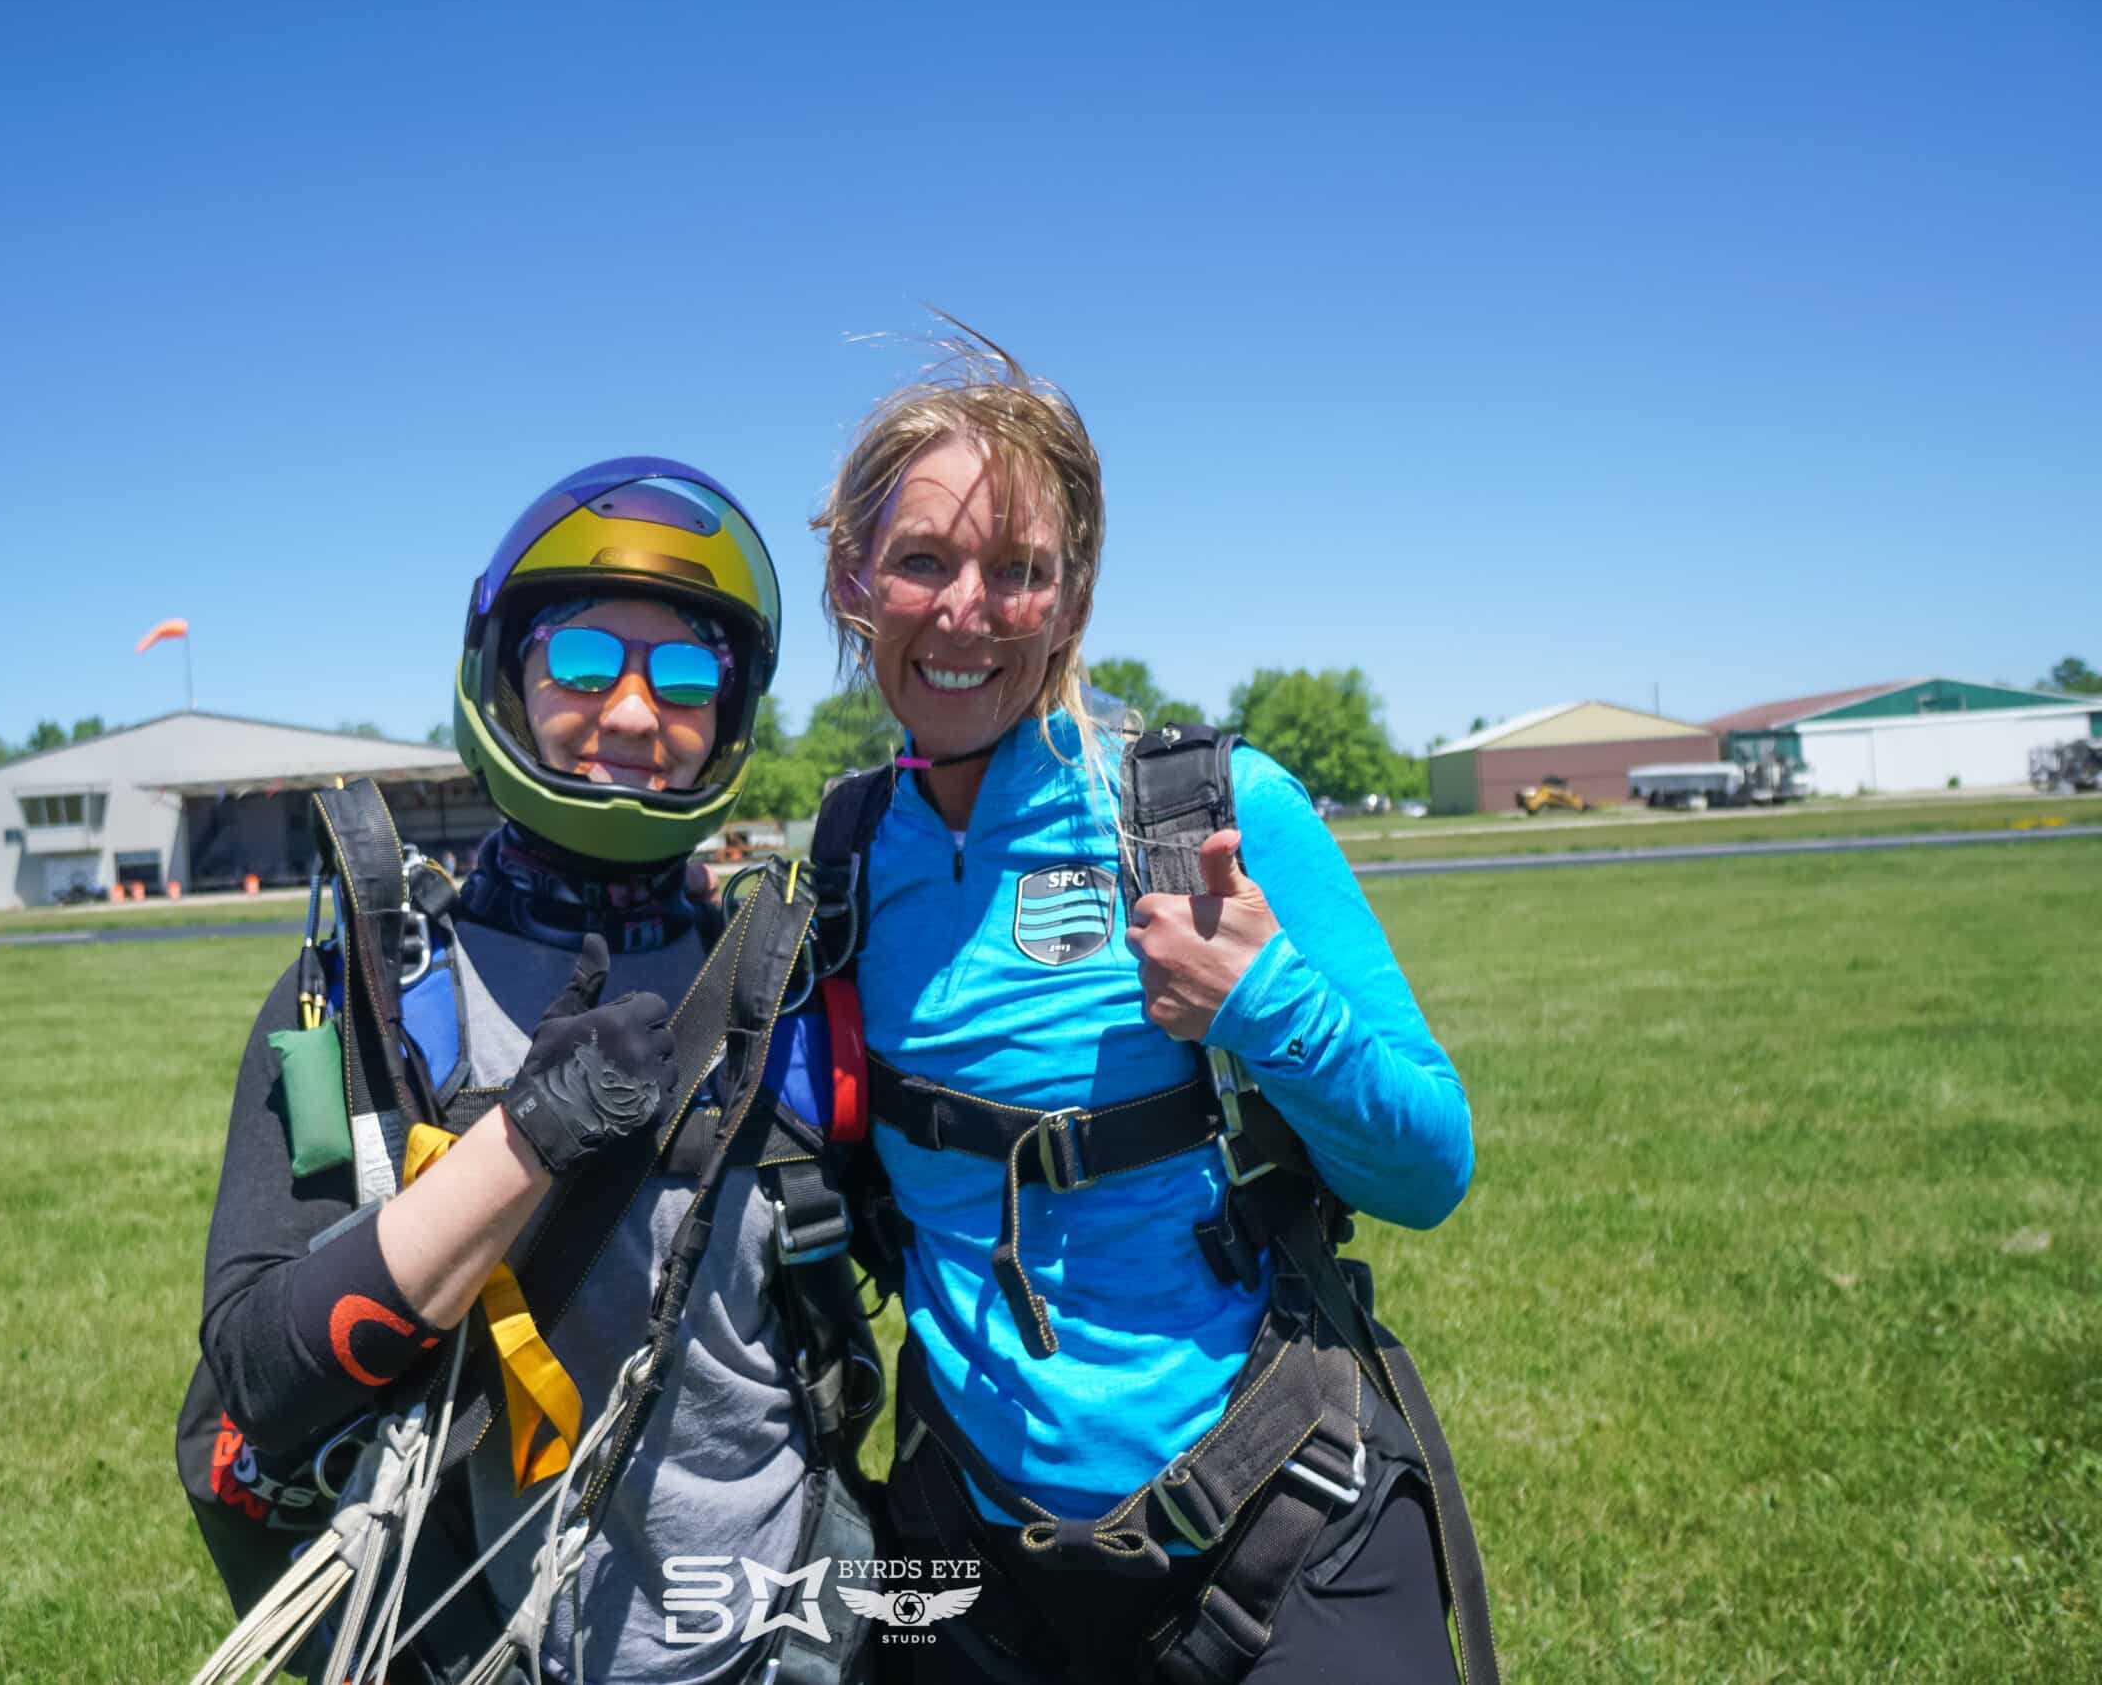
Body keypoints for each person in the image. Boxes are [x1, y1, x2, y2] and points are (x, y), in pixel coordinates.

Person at [806, 335, 1491, 1683]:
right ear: (851, 580)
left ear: (1073, 600)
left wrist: (1262, 1005)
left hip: (1272, 1513)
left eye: (1021, 570)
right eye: (925, 561)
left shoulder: (1200, 812)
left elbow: (1431, 1166)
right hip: (965, 1540)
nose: (967, 612)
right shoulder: (840, 862)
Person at [176, 457, 879, 1685]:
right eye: (582, 659)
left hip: (784, 1639)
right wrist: (523, 1141)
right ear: (505, 674)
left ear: (730, 711)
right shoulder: (379, 997)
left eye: (683, 673)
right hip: (481, 1640)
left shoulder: (786, 976)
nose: (630, 712)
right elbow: (256, 1375)